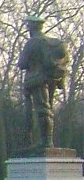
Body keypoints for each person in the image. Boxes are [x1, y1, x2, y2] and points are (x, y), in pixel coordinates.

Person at [16, 15, 69, 151]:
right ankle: (47, 140)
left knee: (42, 110)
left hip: (37, 80)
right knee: (48, 109)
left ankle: (46, 143)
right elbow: (64, 60)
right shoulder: (53, 42)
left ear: (31, 27)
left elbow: (22, 64)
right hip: (52, 80)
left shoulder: (33, 43)